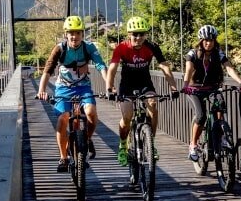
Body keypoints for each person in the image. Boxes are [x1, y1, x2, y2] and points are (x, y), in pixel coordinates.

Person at [104, 16, 179, 166]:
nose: (138, 38)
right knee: (127, 116)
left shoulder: (152, 47)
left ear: (146, 35)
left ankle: (151, 144)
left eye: (141, 34)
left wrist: (173, 87)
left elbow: (164, 66)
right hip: (127, 85)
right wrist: (109, 88)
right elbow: (112, 68)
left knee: (153, 105)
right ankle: (123, 146)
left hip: (145, 83)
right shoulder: (122, 48)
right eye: (135, 34)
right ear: (129, 34)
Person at [37, 15, 107, 172]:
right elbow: (48, 70)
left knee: (91, 113)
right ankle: (63, 157)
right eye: (71, 33)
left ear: (82, 34)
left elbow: (101, 65)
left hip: (83, 87)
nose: (74, 36)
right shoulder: (60, 48)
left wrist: (109, 85)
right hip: (63, 88)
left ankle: (86, 140)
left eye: (78, 33)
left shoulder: (89, 47)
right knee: (63, 118)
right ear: (66, 34)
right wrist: (41, 90)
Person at [183, 24, 241, 161]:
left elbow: (229, 68)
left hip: (212, 88)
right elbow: (188, 69)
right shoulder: (193, 53)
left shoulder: (218, 53)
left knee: (220, 105)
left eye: (211, 40)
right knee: (201, 116)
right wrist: (185, 85)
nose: (208, 43)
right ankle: (193, 145)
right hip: (194, 89)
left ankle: (222, 135)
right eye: (206, 40)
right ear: (201, 41)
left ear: (214, 41)